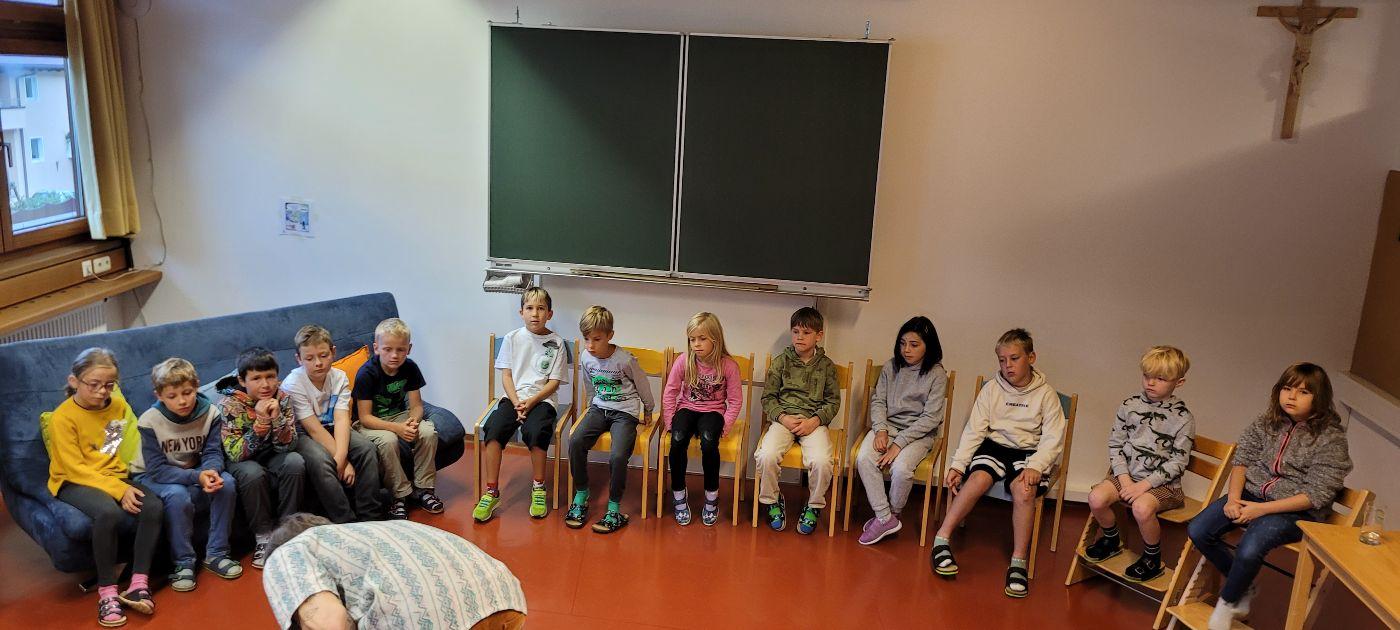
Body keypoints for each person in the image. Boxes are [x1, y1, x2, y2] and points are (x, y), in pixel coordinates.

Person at [1188, 363, 1352, 630]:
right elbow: (1241, 461)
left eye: (1303, 392)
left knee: (1250, 547)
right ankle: (1243, 586)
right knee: (1199, 529)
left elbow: (1315, 494)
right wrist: (1233, 499)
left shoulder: (1331, 439)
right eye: (1287, 389)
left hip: (1295, 511)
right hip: (1251, 495)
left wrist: (1260, 510)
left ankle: (1227, 603)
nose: (1291, 396)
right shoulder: (1267, 422)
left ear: (1319, 398)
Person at [930, 328, 1066, 599]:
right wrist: (958, 465)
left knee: (1024, 491)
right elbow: (974, 430)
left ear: (1031, 358)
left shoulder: (1046, 394)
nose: (1007, 366)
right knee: (977, 479)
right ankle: (941, 539)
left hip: (1028, 453)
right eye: (1002, 360)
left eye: (1014, 359)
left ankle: (1018, 561)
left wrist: (1037, 465)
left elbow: (1053, 437)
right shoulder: (992, 389)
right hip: (994, 447)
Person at [47, 348, 163, 627]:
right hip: (72, 480)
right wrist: (117, 490)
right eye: (94, 384)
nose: (102, 391)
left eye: (109, 385)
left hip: (109, 476)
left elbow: (110, 450)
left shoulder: (117, 406)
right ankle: (107, 593)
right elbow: (75, 468)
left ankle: (138, 583)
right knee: (107, 513)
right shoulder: (62, 418)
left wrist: (119, 483)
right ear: (74, 381)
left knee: (153, 506)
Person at [263, 513, 527, 630]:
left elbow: (329, 624)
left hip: (434, 618)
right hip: (502, 595)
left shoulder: (287, 552)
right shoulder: (360, 534)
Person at [1082, 346, 1194, 582]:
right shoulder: (1129, 405)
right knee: (1096, 498)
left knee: (1141, 508)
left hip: (1164, 486)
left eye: (1160, 379)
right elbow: (1116, 445)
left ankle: (1152, 558)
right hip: (1127, 477)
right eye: (1147, 376)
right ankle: (1112, 539)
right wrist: (1125, 481)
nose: (1150, 383)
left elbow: (1178, 462)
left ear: (1179, 382)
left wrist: (1142, 486)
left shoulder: (1183, 418)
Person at [131, 358, 243, 591]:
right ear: (159, 395)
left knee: (227, 483)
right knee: (177, 495)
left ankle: (217, 553)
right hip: (151, 475)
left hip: (192, 469)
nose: (182, 401)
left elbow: (213, 452)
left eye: (187, 392)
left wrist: (210, 472)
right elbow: (157, 469)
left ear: (196, 386)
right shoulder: (149, 421)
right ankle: (183, 563)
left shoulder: (210, 413)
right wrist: (196, 477)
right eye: (172, 396)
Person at [475, 287, 570, 522]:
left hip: (542, 400)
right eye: (529, 308)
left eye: (541, 309)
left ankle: (539, 486)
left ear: (549, 314)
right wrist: (517, 402)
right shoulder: (512, 338)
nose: (535, 314)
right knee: (494, 429)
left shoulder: (557, 343)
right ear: (521, 312)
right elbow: (506, 376)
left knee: (536, 432)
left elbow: (554, 383)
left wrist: (531, 401)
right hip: (513, 399)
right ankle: (491, 491)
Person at [854, 316, 948, 545]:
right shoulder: (890, 366)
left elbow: (931, 418)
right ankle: (885, 517)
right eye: (903, 343)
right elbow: (878, 402)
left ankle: (893, 513)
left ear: (928, 346)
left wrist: (899, 444)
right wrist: (880, 430)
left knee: (902, 469)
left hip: (919, 435)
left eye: (914, 345)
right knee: (864, 458)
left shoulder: (937, 374)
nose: (906, 350)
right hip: (888, 428)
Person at [565, 306, 655, 533]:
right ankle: (582, 494)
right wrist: (590, 407)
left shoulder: (625, 360)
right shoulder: (586, 357)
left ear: (610, 336)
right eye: (587, 339)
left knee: (618, 455)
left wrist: (648, 409)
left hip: (625, 412)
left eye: (596, 339)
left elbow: (642, 384)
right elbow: (589, 383)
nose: (590, 345)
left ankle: (614, 508)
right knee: (575, 441)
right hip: (599, 408)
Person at [282, 324, 385, 522]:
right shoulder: (293, 384)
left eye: (323, 355)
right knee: (321, 461)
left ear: (333, 352)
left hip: (333, 426)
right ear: (299, 359)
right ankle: (345, 521)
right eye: (309, 358)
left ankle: (370, 517)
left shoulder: (339, 377)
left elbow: (341, 419)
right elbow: (314, 429)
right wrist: (343, 463)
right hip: (304, 433)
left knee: (366, 448)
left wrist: (342, 455)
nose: (318, 363)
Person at [755, 307, 841, 535]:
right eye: (795, 332)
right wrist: (783, 417)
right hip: (784, 420)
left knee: (822, 461)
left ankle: (814, 505)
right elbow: (768, 398)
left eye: (806, 332)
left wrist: (815, 421)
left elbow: (833, 402)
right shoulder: (781, 362)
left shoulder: (827, 366)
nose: (799, 337)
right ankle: (772, 500)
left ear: (818, 336)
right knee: (766, 455)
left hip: (813, 423)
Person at [217, 347, 305, 568]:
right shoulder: (229, 405)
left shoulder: (282, 398)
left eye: (270, 377)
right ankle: (263, 536)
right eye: (256, 378)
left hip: (272, 454)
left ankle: (286, 530)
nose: (265, 384)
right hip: (241, 460)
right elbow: (235, 453)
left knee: (295, 461)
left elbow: (288, 446)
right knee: (253, 473)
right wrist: (261, 422)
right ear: (242, 380)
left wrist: (277, 419)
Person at [353, 318, 444, 519]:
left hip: (399, 415)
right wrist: (397, 429)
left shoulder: (410, 368)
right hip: (372, 422)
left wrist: (412, 422)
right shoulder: (366, 374)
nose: (394, 355)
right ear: (376, 348)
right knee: (388, 440)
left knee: (428, 431)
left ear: (409, 349)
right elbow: (365, 417)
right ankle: (399, 496)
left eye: (400, 350)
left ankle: (424, 489)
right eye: (387, 349)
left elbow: (416, 406)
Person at [662, 312, 743, 526]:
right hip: (687, 408)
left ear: (715, 339)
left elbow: (735, 400)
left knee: (708, 442)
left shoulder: (729, 366)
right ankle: (679, 494)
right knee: (677, 440)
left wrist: (725, 426)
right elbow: (670, 391)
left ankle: (711, 496)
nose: (696, 344)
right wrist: (670, 421)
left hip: (713, 411)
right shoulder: (683, 361)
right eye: (692, 339)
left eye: (702, 338)